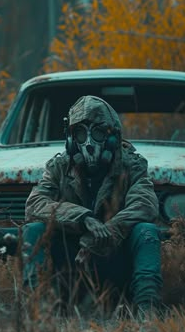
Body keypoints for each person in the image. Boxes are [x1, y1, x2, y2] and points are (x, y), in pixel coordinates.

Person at [23, 95, 163, 318]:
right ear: (70, 139)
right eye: (79, 133)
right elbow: (35, 204)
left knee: (146, 231)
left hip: (116, 259)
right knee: (33, 231)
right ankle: (36, 313)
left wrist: (104, 235)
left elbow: (144, 204)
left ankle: (147, 311)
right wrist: (82, 219)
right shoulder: (59, 167)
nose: (88, 143)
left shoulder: (132, 165)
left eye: (98, 133)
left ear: (112, 138)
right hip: (72, 262)